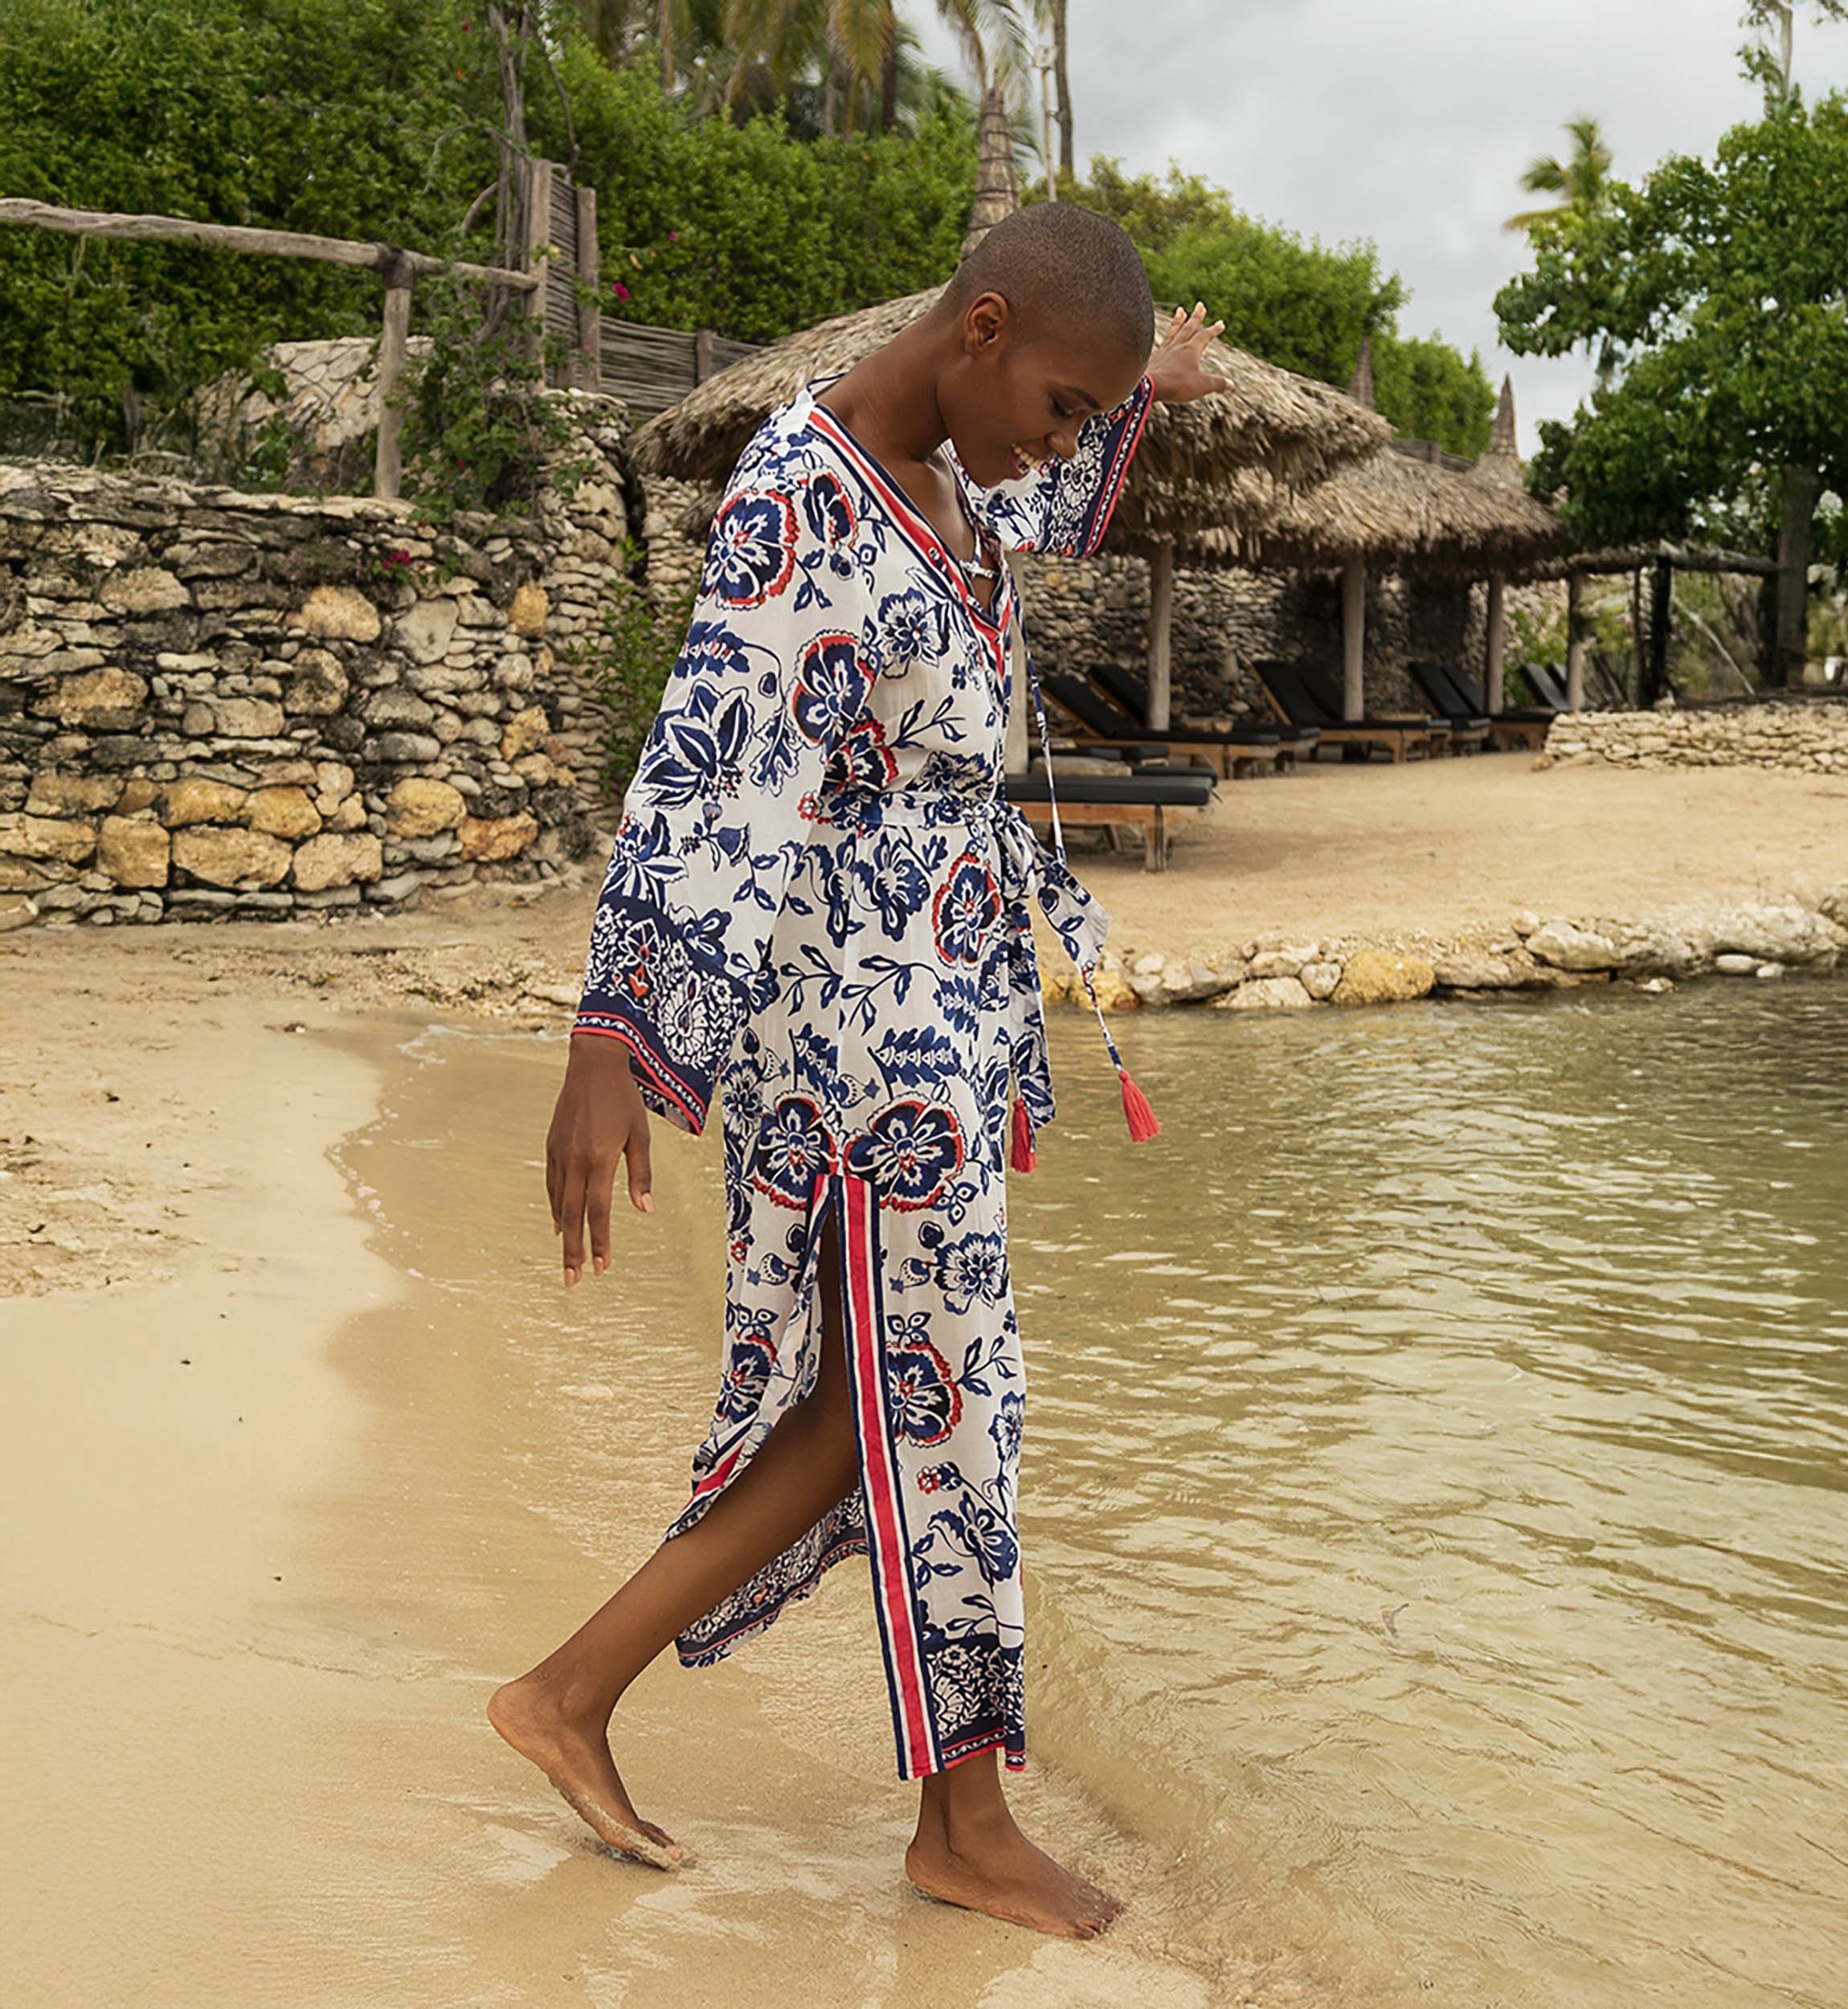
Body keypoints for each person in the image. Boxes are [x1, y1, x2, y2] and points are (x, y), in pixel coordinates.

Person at [489, 204, 1225, 1940]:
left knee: (882, 1401)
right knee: (942, 1392)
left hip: (934, 1008)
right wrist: (616, 1024)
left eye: (1079, 415)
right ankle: (959, 1822)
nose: (1055, 441)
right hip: (843, 1023)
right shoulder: (800, 490)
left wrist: (1147, 398)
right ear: (979, 329)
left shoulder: (960, 471)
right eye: (1056, 399)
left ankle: (571, 1692)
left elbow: (1046, 493)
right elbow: (706, 755)